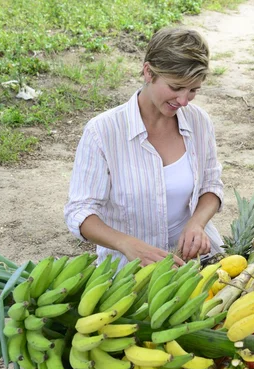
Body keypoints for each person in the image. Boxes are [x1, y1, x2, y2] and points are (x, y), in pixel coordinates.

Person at [64, 27, 224, 269]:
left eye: (193, 90)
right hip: (128, 270)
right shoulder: (103, 131)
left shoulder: (199, 122)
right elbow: (80, 212)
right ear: (149, 72)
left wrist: (197, 223)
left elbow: (211, 186)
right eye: (176, 87)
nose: (183, 101)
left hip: (197, 260)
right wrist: (129, 245)